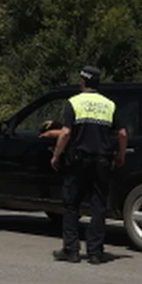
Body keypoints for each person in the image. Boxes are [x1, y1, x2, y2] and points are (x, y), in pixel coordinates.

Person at [50, 66, 127, 264]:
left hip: (78, 160)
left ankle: (71, 250)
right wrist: (120, 155)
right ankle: (95, 252)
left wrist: (56, 155)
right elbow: (122, 133)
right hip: (102, 160)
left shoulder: (74, 102)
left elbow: (66, 133)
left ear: (82, 81)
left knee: (71, 204)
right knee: (98, 206)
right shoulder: (109, 104)